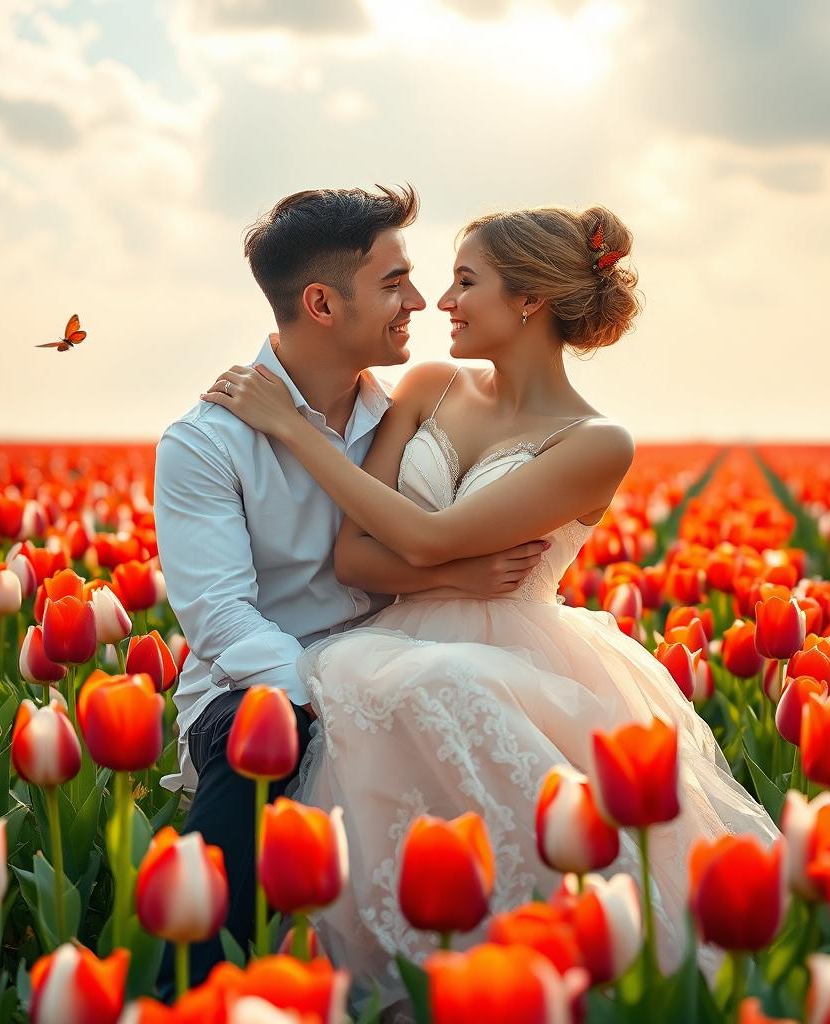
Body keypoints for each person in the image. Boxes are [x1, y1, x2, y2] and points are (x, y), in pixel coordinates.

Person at [202, 203, 779, 1007]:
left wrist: (294, 435)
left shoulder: (596, 442)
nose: (441, 303)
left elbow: (428, 538)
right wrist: (454, 581)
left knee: (453, 700)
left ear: (531, 301)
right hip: (394, 636)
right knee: (401, 696)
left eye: (466, 282)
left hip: (524, 653)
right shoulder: (433, 387)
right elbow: (357, 554)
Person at [153, 185, 552, 989]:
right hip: (266, 677)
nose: (419, 302)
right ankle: (188, 989)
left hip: (410, 656)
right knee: (260, 742)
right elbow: (223, 620)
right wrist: (328, 691)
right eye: (394, 283)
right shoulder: (205, 443)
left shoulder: (409, 411)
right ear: (322, 303)